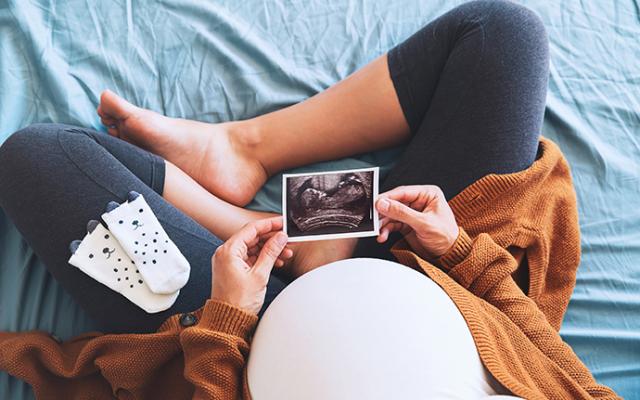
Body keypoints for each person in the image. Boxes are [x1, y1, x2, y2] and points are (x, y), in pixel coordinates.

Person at [0, 1, 619, 398]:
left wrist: (227, 327)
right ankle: (249, 151)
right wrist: (460, 252)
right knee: (502, 36)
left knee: (38, 157)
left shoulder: (238, 333)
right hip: (427, 279)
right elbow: (549, 365)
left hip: (253, 340)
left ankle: (281, 238)